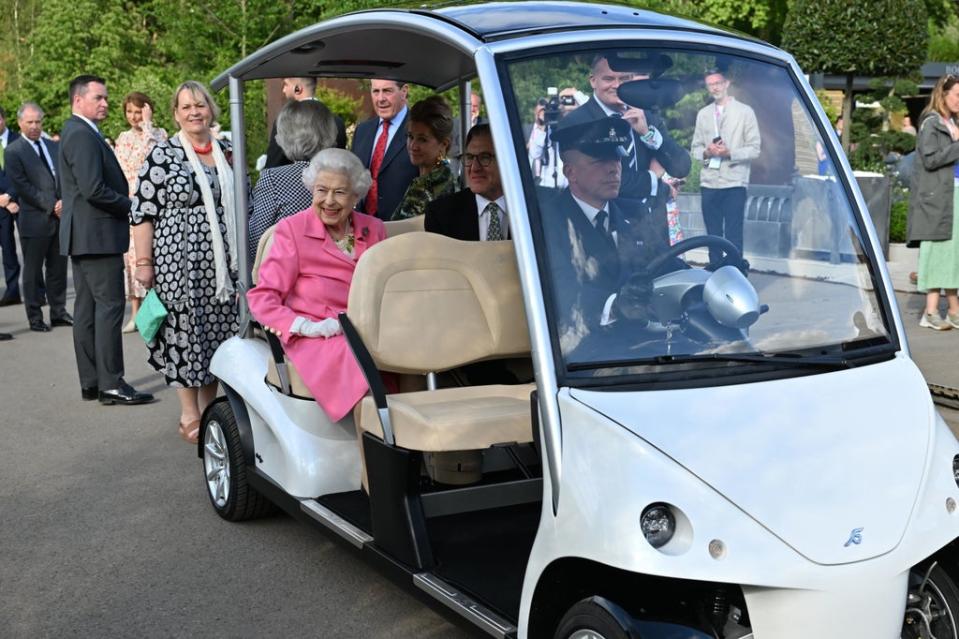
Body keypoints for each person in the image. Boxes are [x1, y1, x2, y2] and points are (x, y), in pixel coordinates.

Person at [130, 81, 239, 441]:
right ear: (176, 114)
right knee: (183, 334)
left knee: (217, 333)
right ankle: (188, 413)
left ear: (211, 110)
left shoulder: (227, 150)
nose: (194, 112)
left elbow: (243, 201)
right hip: (178, 264)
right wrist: (144, 263)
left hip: (224, 266)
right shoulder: (164, 154)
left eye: (200, 105)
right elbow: (142, 212)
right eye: (186, 106)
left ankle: (210, 409)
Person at [247, 148, 386, 422]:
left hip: (370, 329)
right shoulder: (292, 230)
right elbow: (263, 297)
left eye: (340, 192)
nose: (329, 201)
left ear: (356, 196)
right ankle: (371, 461)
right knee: (359, 360)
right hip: (319, 337)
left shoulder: (374, 229)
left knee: (412, 357)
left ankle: (425, 453)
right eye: (322, 190)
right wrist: (302, 326)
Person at [59, 74, 154, 406]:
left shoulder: (76, 132)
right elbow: (93, 188)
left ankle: (93, 381)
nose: (105, 103)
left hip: (85, 234)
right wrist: (133, 206)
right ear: (79, 100)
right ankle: (111, 383)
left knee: (87, 310)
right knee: (110, 307)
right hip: (96, 235)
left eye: (105, 97)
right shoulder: (82, 134)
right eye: (98, 97)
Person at [546, 115, 669, 335]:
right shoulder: (547, 221)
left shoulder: (633, 212)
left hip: (643, 344)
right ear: (570, 172)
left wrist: (712, 276)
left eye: (617, 160)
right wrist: (614, 305)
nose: (614, 169)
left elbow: (666, 262)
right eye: (600, 162)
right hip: (580, 350)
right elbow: (558, 290)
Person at [562, 54, 691, 183]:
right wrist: (651, 178)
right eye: (608, 79)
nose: (617, 85)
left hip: (653, 203)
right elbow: (594, 182)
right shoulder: (575, 123)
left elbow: (681, 168)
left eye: (624, 79)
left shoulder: (646, 116)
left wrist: (647, 134)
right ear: (593, 81)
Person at [4, 102, 70, 333]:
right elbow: (22, 187)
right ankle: (35, 317)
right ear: (20, 122)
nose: (34, 126)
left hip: (60, 218)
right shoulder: (13, 151)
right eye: (29, 122)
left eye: (38, 122)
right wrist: (52, 205)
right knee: (33, 272)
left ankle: (59, 312)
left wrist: (64, 202)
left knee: (58, 269)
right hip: (34, 220)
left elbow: (63, 177)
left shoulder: (53, 146)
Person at [249, 99, 338, 262]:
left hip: (289, 273)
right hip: (337, 270)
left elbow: (257, 241)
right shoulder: (345, 175)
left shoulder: (274, 179)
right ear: (329, 132)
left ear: (286, 137)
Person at [690, 67, 761, 264]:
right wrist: (707, 152)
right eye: (710, 85)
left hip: (734, 182)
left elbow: (755, 149)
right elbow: (695, 149)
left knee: (733, 232)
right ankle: (715, 268)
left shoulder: (745, 112)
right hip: (709, 182)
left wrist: (730, 153)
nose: (714, 88)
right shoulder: (703, 114)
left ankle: (735, 270)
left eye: (717, 83)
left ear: (726, 83)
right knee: (712, 232)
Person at [907, 75, 959, 330]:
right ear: (943, 94)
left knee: (952, 254)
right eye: (958, 95)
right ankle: (930, 312)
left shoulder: (952, 122)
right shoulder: (931, 123)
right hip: (938, 198)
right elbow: (931, 159)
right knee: (939, 252)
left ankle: (953, 309)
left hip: (954, 194)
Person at [114, 91, 168, 333]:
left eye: (138, 111)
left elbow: (157, 158)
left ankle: (156, 309)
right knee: (134, 259)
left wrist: (148, 127)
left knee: (157, 254)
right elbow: (128, 164)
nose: (134, 116)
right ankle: (136, 313)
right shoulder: (123, 138)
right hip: (133, 202)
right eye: (130, 112)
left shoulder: (160, 134)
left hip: (158, 202)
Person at [425, 124, 507, 241]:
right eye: (469, 157)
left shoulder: (537, 207)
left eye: (485, 157)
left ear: (506, 159)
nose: (474, 168)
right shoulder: (441, 214)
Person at [351, 79, 418, 220]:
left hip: (404, 231)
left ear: (404, 91)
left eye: (387, 91)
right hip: (363, 228)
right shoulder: (362, 131)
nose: (380, 99)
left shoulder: (420, 130)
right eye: (376, 91)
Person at [391, 96, 457, 220]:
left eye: (422, 139)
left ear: (444, 144)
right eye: (410, 136)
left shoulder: (438, 185)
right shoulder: (428, 178)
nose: (413, 146)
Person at [264, 76, 347, 169]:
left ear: (298, 88)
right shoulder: (337, 122)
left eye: (286, 84)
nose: (283, 90)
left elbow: (274, 163)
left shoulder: (285, 121)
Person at [0, 106, 22, 307]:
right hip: (0, 205)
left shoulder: (19, 140)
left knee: (32, 250)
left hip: (21, 201)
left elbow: (26, 172)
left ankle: (38, 292)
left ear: (3, 119)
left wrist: (10, 196)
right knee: (7, 249)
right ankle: (12, 290)